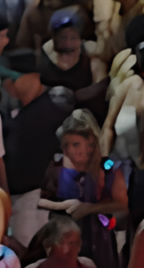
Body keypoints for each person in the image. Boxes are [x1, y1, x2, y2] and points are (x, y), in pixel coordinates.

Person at [36, 111, 123, 268]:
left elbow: (122, 203)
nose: (73, 150)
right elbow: (44, 200)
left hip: (99, 237)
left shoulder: (107, 167)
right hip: (67, 239)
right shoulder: (56, 168)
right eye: (68, 145)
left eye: (76, 144)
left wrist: (89, 208)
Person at [0, 50, 67, 248]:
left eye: (12, 79)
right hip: (24, 200)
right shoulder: (24, 113)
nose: (7, 85)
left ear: (33, 77)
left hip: (40, 199)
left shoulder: (52, 110)